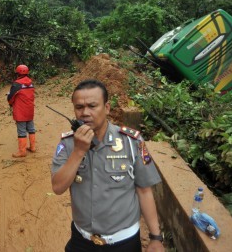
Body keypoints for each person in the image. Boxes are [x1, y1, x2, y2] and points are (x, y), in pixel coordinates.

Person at [51, 79, 165, 252]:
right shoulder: (68, 143)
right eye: (79, 107)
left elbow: (144, 190)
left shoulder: (131, 142)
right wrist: (78, 151)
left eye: (92, 106)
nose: (85, 113)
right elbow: (58, 187)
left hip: (124, 242)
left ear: (107, 108)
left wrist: (156, 238)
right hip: (82, 240)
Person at [7, 64, 35, 158]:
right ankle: (33, 147)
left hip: (20, 111)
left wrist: (10, 102)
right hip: (30, 109)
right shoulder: (31, 82)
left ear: (18, 73)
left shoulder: (16, 84)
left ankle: (22, 151)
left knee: (21, 131)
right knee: (31, 128)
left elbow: (11, 97)